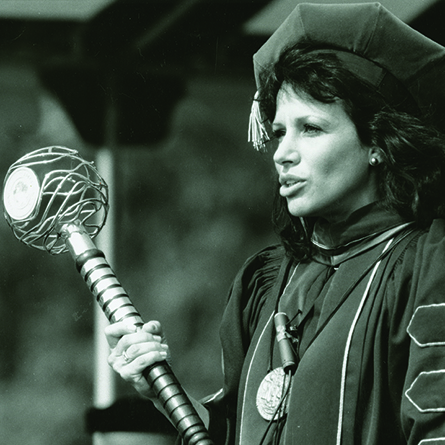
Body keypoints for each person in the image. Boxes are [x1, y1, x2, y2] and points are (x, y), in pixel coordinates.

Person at [105, 3, 445, 444]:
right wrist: (162, 392)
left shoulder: (426, 267)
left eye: (312, 129)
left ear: (377, 143)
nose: (283, 152)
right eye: (280, 131)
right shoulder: (266, 283)